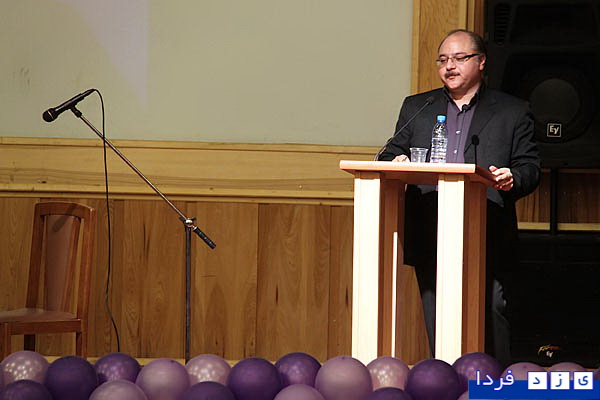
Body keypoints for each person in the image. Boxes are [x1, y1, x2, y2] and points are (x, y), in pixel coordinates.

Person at [378, 29, 540, 364]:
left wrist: (512, 178)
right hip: (430, 225)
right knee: (436, 311)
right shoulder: (418, 107)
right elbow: (389, 153)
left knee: (492, 309)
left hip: (486, 226)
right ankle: (444, 380)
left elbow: (529, 167)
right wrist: (396, 161)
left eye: (459, 58)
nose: (449, 66)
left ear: (481, 62)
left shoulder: (512, 111)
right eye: (442, 60)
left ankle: (495, 380)